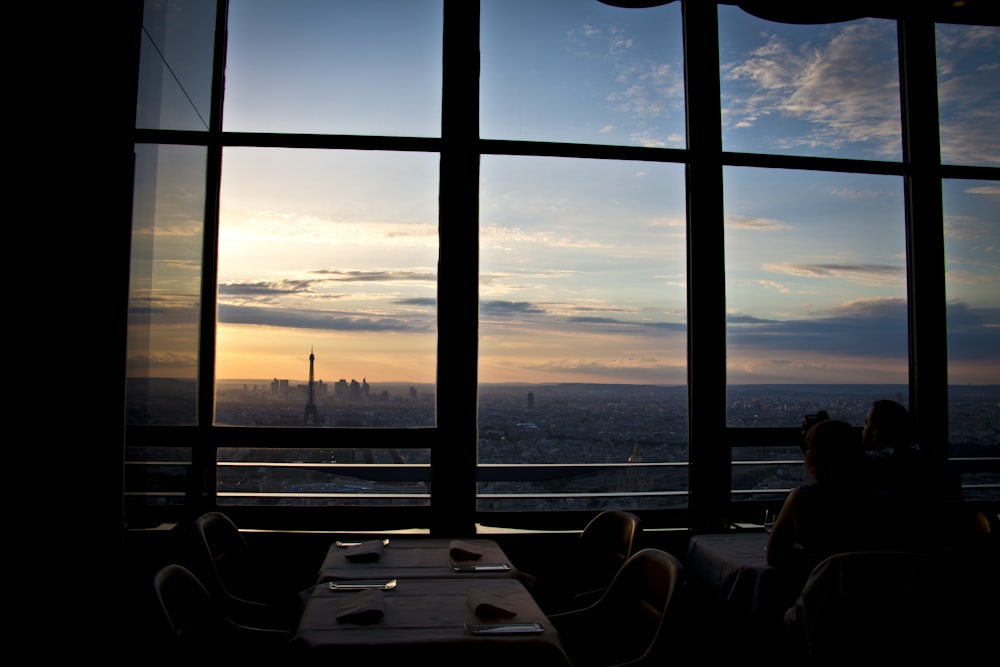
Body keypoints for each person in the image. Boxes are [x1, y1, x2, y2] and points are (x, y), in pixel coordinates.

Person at [766, 419, 903, 578]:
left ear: (815, 457)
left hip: (820, 593)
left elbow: (775, 555)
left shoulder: (803, 498)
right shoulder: (883, 502)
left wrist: (819, 564)